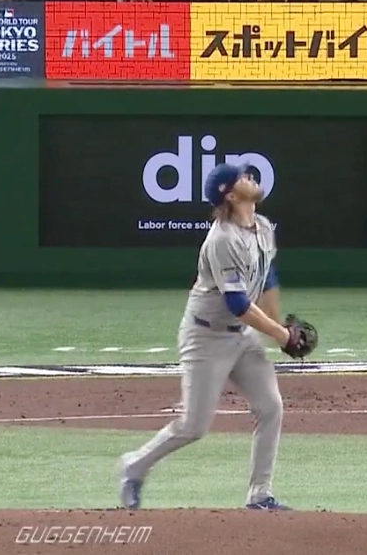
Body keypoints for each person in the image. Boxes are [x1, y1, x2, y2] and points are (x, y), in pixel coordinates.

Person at [118, 164, 316, 512]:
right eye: (242, 177)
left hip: (243, 337)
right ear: (231, 194)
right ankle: (134, 466)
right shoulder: (222, 239)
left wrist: (277, 330)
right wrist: (282, 334)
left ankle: (259, 495)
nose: (250, 177)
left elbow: (267, 280)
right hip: (205, 338)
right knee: (193, 426)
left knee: (270, 407)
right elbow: (238, 304)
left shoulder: (263, 227)